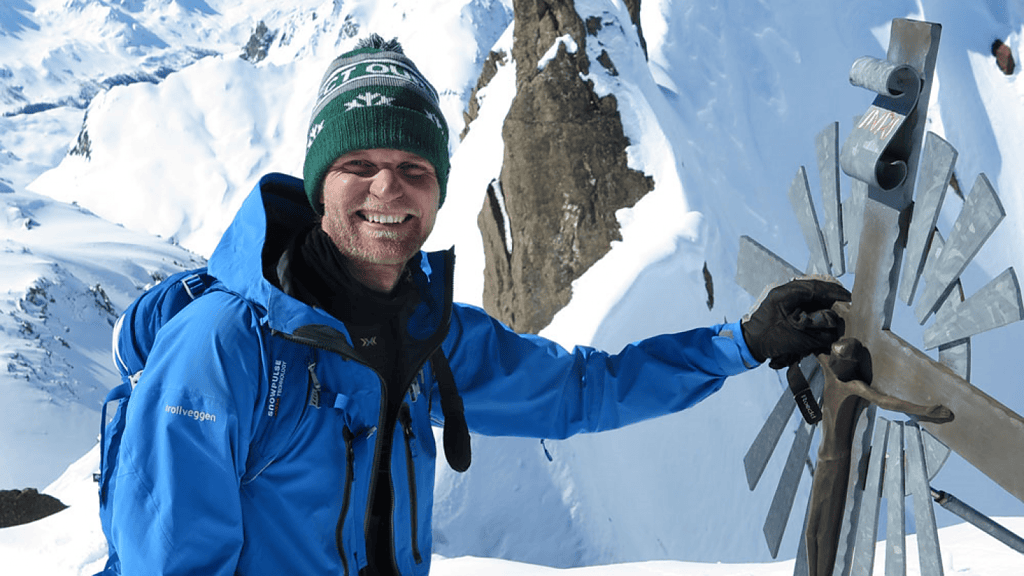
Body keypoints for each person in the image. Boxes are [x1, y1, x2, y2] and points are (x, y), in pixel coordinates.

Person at [101, 34, 851, 576]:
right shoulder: (226, 349)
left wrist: (744, 342)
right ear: (317, 183)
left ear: (439, 187)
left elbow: (578, 391)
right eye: (358, 166)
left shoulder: (426, 331)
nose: (387, 191)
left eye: (412, 168)